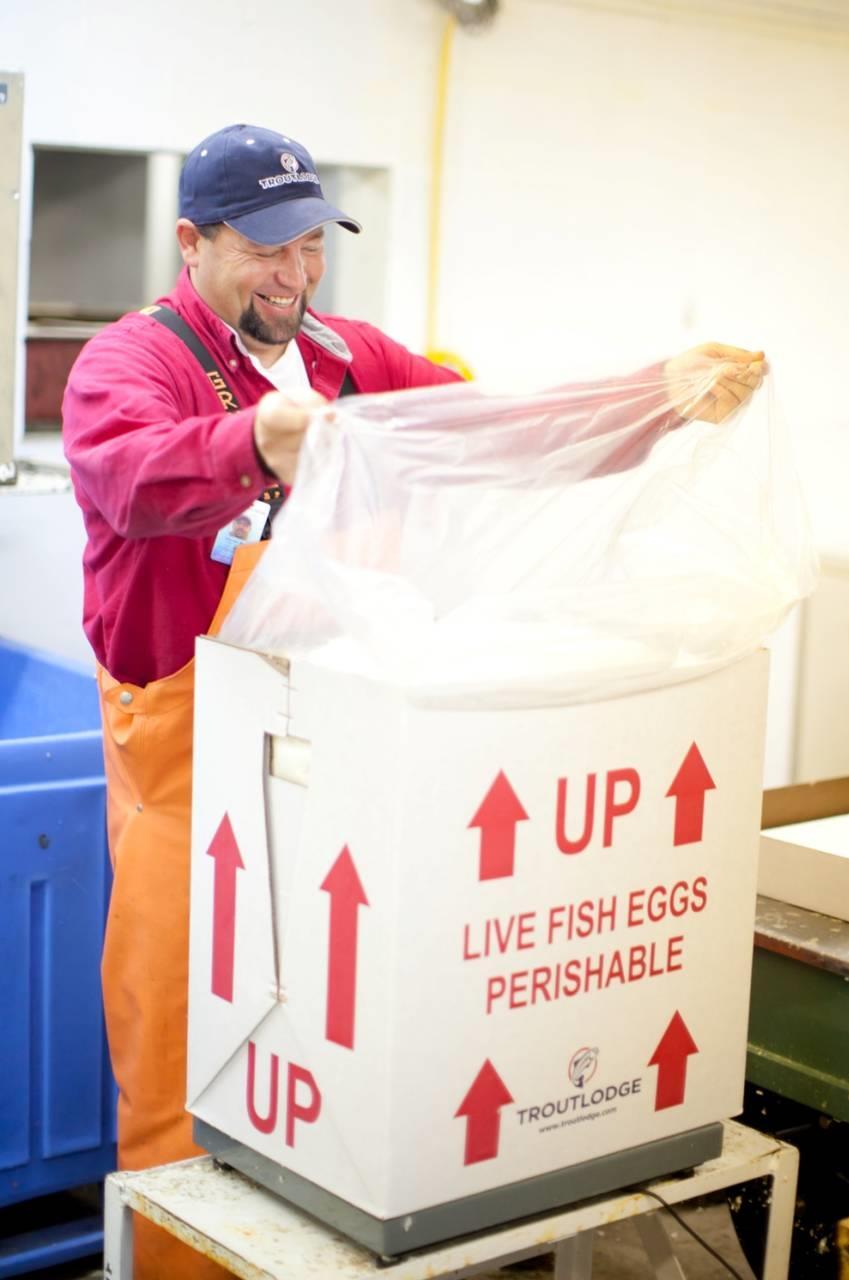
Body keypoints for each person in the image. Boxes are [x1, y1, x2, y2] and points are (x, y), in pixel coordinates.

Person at [62, 122, 764, 1280]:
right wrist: (256, 438)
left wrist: (656, 402)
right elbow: (125, 478)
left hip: (337, 746)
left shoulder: (350, 356)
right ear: (193, 241)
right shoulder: (134, 363)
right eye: (267, 249)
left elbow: (489, 432)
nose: (295, 275)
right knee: (182, 1050)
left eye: (312, 247)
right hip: (191, 772)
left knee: (336, 1046)